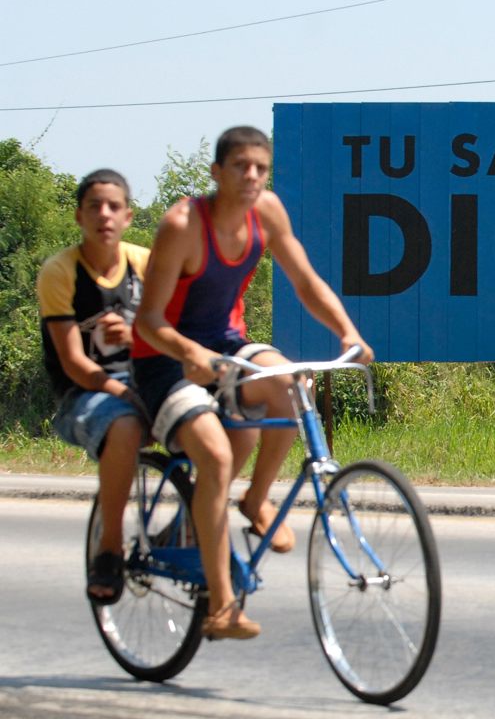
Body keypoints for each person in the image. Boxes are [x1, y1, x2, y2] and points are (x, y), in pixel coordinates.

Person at [133, 126, 373, 641]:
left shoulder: (267, 212)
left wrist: (347, 331)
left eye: (261, 169)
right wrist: (190, 354)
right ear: (217, 172)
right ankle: (221, 608)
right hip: (164, 359)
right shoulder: (183, 225)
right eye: (240, 166)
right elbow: (148, 320)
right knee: (216, 459)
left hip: (225, 345)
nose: (251, 177)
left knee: (292, 383)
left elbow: (306, 280)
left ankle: (255, 499)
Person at [37, 169, 149, 605]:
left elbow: (174, 331)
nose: (104, 214)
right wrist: (125, 395)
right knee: (126, 425)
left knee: (217, 413)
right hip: (84, 395)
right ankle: (110, 549)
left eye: (114, 206)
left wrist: (136, 335)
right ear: (79, 217)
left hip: (144, 380)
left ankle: (191, 525)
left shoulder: (145, 263)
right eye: (94, 206)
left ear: (128, 217)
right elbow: (74, 363)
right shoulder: (61, 271)